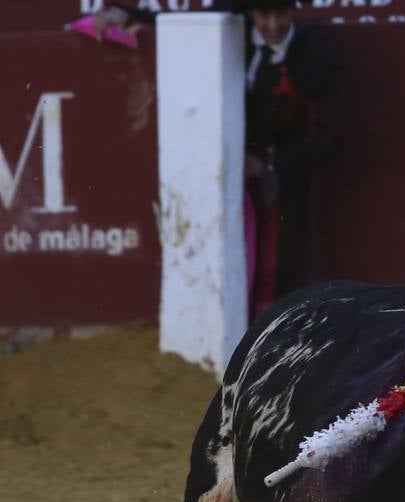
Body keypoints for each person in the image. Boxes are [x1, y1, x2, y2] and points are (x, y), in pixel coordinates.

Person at [90, 0, 345, 319]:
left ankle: (267, 327)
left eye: (280, 14)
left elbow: (329, 132)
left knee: (276, 260)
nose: (273, 24)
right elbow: (179, 27)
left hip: (281, 165)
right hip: (224, 159)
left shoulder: (315, 51)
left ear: (293, 12)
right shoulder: (228, 27)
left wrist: (271, 165)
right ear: (251, 14)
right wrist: (124, 13)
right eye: (264, 14)